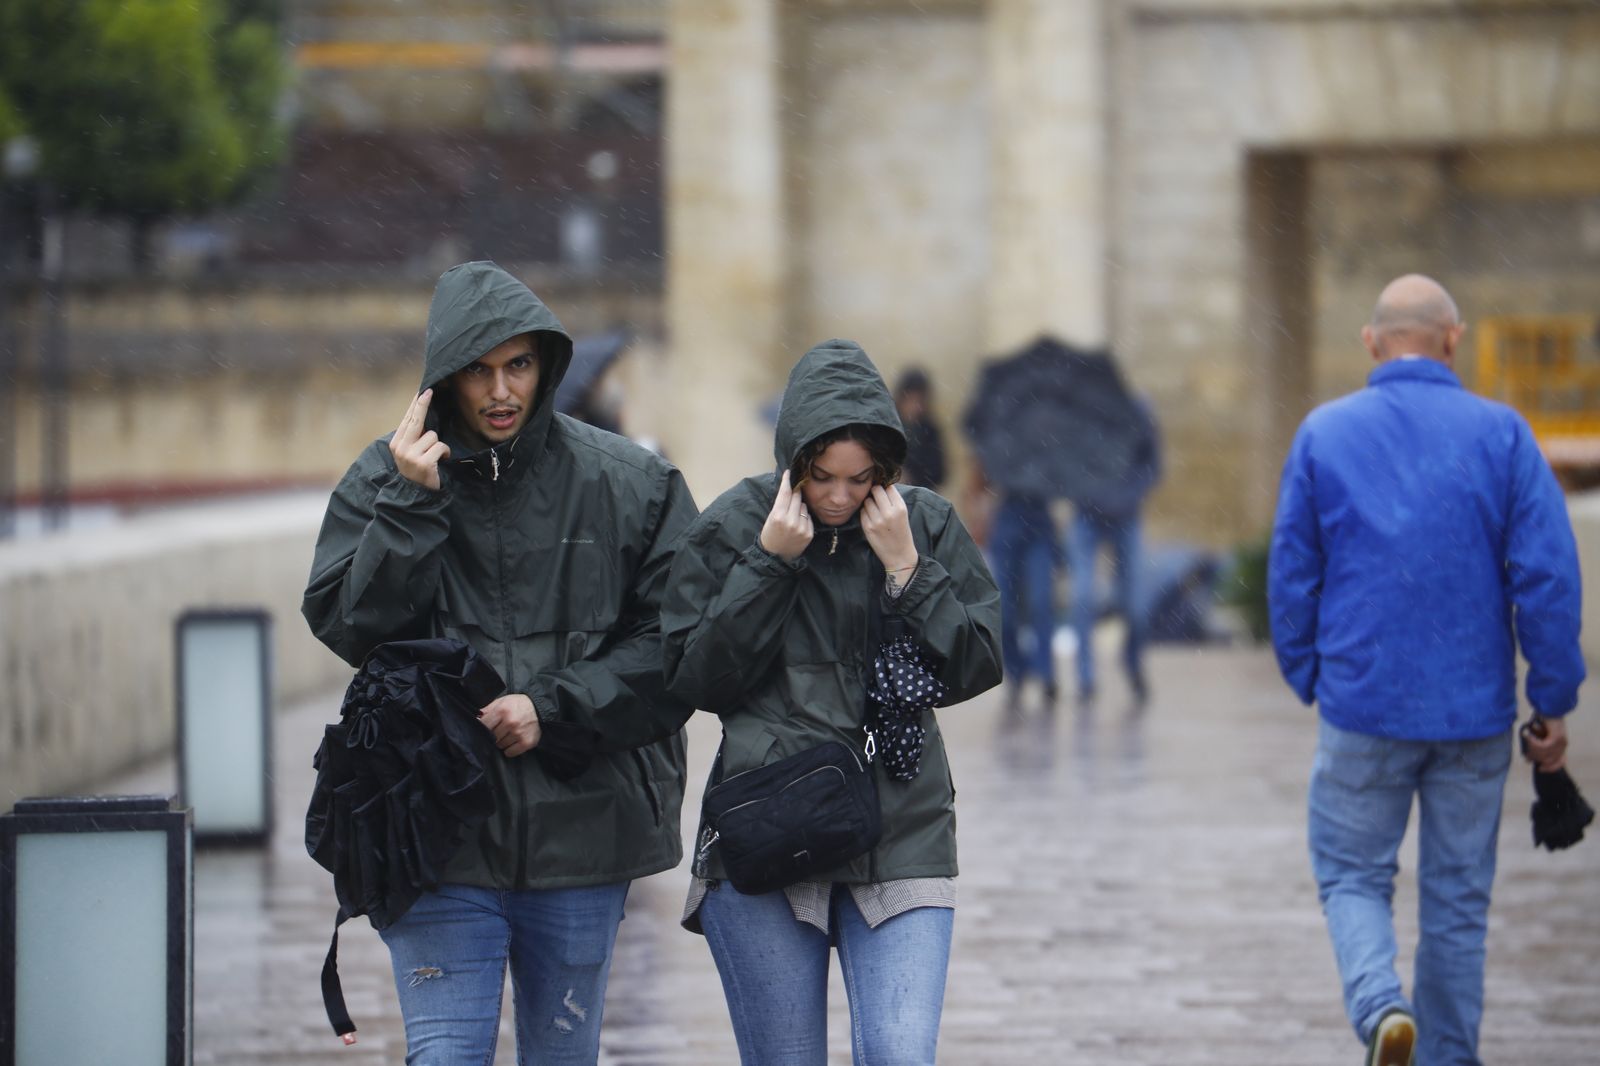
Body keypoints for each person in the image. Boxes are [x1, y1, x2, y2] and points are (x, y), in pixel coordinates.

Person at [301, 261, 698, 1064]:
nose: (499, 391)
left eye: (517, 365)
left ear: (545, 365)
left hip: (584, 828)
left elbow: (683, 645)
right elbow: (348, 626)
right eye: (478, 370)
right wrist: (412, 505)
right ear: (443, 378)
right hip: (434, 834)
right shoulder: (384, 479)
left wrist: (552, 707)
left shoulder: (631, 483)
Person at [1269, 274, 1583, 1066]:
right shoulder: (1504, 435)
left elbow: (1292, 573)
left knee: (1350, 874)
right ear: (1454, 339)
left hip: (1363, 702)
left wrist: (1308, 671)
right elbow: (1547, 575)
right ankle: (1447, 1054)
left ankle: (1382, 1011)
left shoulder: (1324, 433)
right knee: (1456, 901)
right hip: (1471, 712)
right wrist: (1550, 699)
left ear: (1373, 343)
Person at [662, 338, 1003, 1064]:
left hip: (903, 828)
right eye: (822, 477)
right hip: (767, 824)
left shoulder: (925, 522)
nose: (841, 497)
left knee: (899, 1053)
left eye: (860, 478)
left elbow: (979, 661)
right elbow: (696, 680)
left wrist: (909, 569)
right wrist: (770, 563)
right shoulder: (735, 523)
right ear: (794, 460)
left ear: (886, 467)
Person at [1067, 394, 1160, 706]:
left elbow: (1152, 465)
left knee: (1135, 603)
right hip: (1086, 517)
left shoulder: (1138, 413)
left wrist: (1127, 497)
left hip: (1126, 518)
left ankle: (1132, 663)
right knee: (1082, 597)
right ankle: (1085, 677)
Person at [894, 366, 947, 491]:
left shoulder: (930, 431)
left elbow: (939, 473)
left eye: (918, 401)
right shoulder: (889, 427)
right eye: (910, 399)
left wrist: (912, 477)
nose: (914, 406)